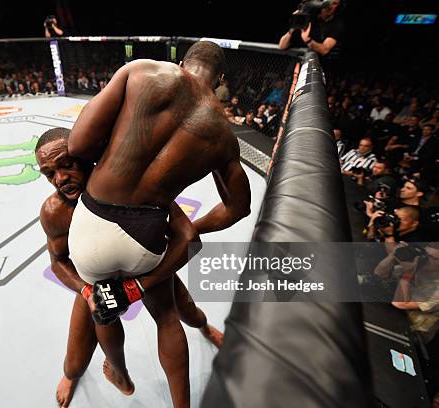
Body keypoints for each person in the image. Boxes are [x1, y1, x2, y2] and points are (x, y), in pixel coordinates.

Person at [67, 41, 251, 407]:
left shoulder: (141, 71)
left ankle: (118, 373)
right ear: (220, 79)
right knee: (167, 316)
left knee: (100, 305)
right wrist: (190, 229)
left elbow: (78, 144)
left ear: (182, 61)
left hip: (92, 223)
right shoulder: (224, 135)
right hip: (149, 238)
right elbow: (238, 209)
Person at [35, 127, 224, 407]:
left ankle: (204, 329)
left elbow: (188, 237)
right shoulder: (55, 212)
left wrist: (140, 286)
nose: (60, 179)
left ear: (86, 156)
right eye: (50, 173)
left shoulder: (131, 184)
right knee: (74, 364)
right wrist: (87, 292)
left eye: (67, 164)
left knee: (187, 315)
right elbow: (58, 262)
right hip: (97, 282)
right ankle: (116, 375)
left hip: (147, 272)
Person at [278, 0, 343, 57]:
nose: (329, 6)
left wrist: (308, 40)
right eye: (328, 2)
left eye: (334, 3)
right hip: (297, 62)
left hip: (317, 66)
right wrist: (293, 27)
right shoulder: (308, 17)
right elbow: (282, 46)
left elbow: (324, 50)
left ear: (338, 7)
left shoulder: (336, 24)